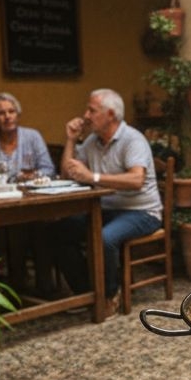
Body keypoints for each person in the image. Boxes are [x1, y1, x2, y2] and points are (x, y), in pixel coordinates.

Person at [55, 89, 162, 309]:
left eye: (92, 110)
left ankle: (109, 297)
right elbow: (68, 174)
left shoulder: (133, 139)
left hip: (141, 212)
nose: (86, 115)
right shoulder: (93, 141)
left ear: (111, 114)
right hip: (105, 210)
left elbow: (136, 179)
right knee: (59, 231)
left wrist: (92, 177)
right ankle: (86, 292)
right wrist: (70, 140)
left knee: (105, 238)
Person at [0, 92, 55, 181]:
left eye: (11, 111)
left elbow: (49, 169)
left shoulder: (33, 137)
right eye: (1, 113)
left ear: (18, 116)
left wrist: (34, 175)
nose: (7, 116)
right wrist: (15, 176)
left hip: (29, 192)